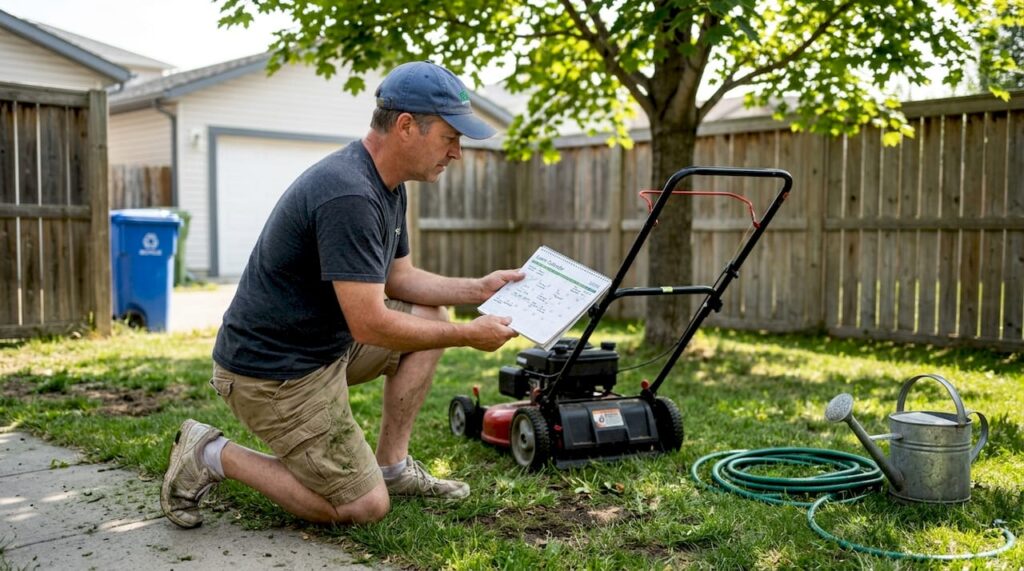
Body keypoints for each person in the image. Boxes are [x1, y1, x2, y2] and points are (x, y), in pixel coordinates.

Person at [160, 61, 523, 528]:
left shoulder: (388, 186)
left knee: (431, 313)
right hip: (274, 373)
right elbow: (370, 323)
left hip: (322, 348)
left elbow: (399, 280)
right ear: (407, 127)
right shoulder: (348, 193)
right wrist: (467, 335)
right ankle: (209, 453)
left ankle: (391, 467)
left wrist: (479, 288)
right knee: (362, 507)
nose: (456, 153)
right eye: (450, 138)